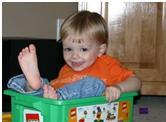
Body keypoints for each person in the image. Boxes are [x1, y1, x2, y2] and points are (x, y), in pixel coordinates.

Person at [8, 11, 141, 102]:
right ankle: (33, 86)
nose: (74, 56)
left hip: (85, 112)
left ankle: (55, 96)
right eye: (68, 49)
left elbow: (136, 82)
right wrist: (47, 90)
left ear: (100, 49)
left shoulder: (107, 64)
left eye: (83, 49)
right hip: (58, 104)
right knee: (46, 87)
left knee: (95, 83)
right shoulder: (66, 69)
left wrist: (118, 88)